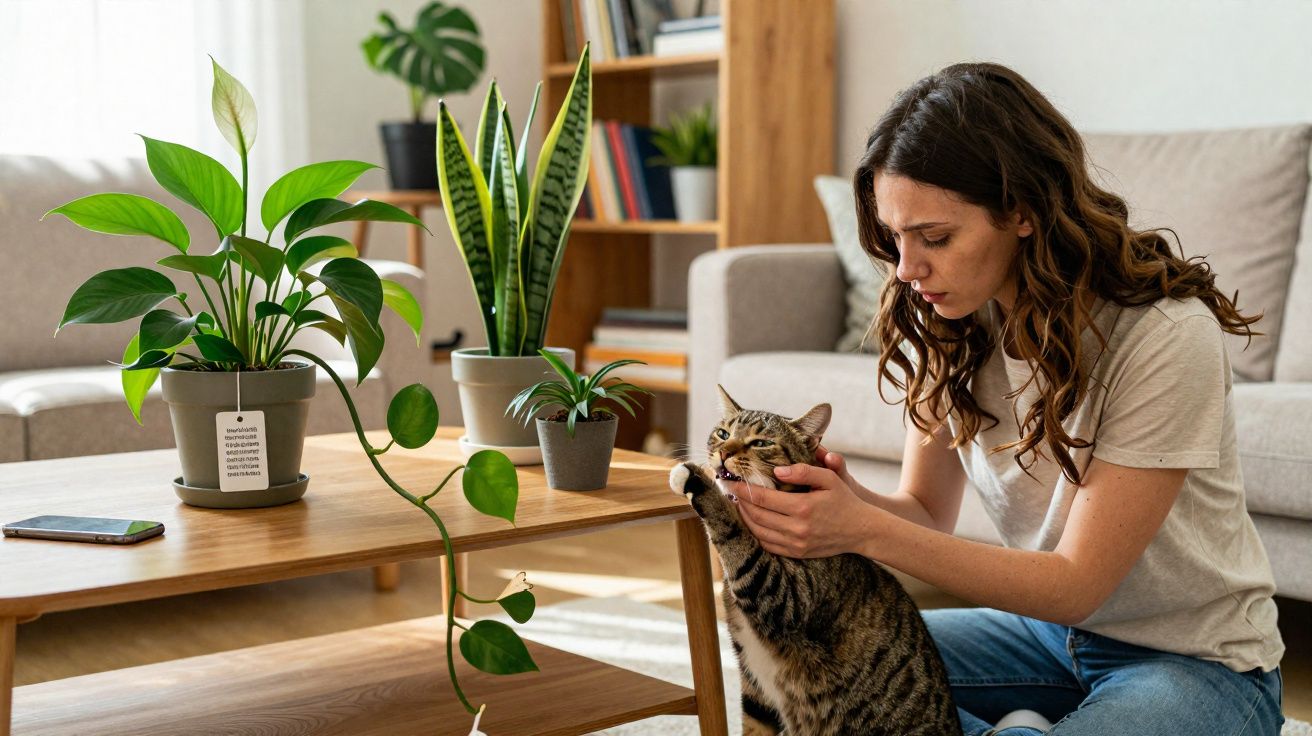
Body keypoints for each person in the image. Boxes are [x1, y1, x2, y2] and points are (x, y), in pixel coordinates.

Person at [726, 62, 1285, 735]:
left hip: (1197, 664)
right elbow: (927, 511)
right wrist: (841, 504)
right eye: (895, 238)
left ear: (1022, 210)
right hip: (1043, 636)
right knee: (803, 674)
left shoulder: (1164, 335)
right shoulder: (943, 319)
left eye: (934, 237)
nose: (907, 270)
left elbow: (1079, 583)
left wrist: (863, 528)